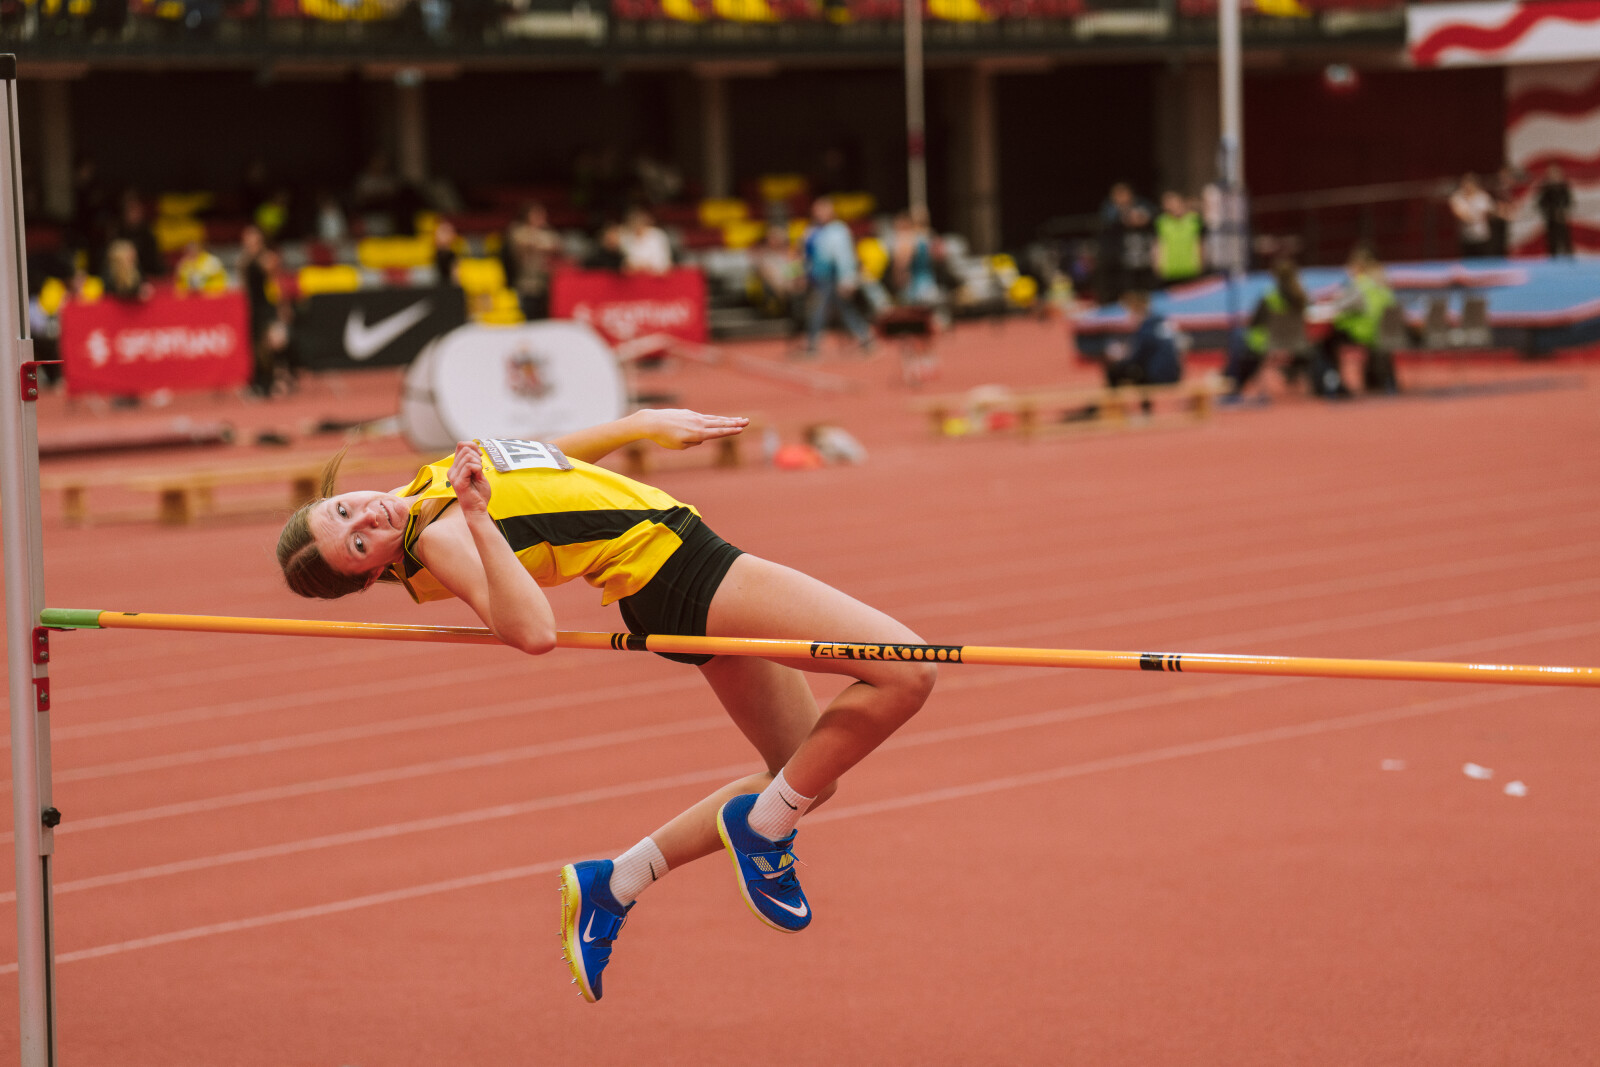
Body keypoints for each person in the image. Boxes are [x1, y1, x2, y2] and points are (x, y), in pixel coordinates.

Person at [273, 412, 937, 1003]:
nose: (365, 519)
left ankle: (613, 885)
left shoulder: (420, 493)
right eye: (356, 543)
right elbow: (534, 632)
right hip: (675, 566)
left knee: (805, 771)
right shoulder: (440, 535)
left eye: (343, 510)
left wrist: (639, 424)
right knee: (907, 671)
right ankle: (762, 830)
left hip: (666, 574)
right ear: (371, 574)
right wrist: (475, 516)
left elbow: (540, 463)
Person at [1315, 245, 1396, 397]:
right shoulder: (1383, 284)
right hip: (1381, 333)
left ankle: (1332, 384)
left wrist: (1339, 295)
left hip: (1363, 333)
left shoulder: (1361, 284)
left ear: (1358, 266)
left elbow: (1340, 306)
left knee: (1324, 344)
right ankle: (1383, 381)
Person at [801, 196, 874, 356]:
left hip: (834, 277)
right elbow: (807, 257)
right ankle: (865, 337)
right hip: (819, 278)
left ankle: (812, 344)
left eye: (822, 210)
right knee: (839, 309)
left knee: (824, 309)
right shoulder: (812, 231)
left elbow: (845, 257)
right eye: (816, 210)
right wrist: (803, 275)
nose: (818, 213)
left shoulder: (838, 230)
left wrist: (847, 279)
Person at [1227, 257, 1307, 398]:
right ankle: (1292, 373)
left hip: (1271, 344)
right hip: (1298, 344)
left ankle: (1233, 381)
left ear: (1275, 277)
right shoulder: (1302, 297)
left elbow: (1255, 323)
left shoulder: (1269, 298)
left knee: (1240, 339)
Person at [505, 202, 563, 320]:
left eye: (542, 214)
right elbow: (527, 242)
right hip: (525, 285)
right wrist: (541, 239)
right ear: (527, 216)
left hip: (544, 284)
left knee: (544, 319)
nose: (540, 217)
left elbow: (557, 244)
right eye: (536, 214)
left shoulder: (547, 232)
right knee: (527, 319)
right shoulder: (518, 231)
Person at [1154, 191, 1204, 287]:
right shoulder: (1162, 222)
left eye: (1174, 202)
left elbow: (1199, 243)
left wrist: (1200, 263)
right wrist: (1158, 265)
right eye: (1168, 204)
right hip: (1169, 270)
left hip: (1190, 269)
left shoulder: (1194, 220)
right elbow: (1159, 245)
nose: (1172, 206)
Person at [1449, 174, 1494, 259]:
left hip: (1482, 236)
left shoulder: (1483, 196)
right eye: (1465, 184)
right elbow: (1460, 215)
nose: (1467, 187)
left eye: (1470, 184)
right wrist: (1476, 216)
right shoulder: (1457, 197)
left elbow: (1489, 213)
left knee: (1484, 261)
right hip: (1466, 236)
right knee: (1468, 261)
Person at [618, 207, 673, 275]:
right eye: (633, 222)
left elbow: (664, 260)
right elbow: (626, 262)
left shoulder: (658, 236)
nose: (637, 225)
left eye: (639, 222)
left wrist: (647, 265)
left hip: (655, 276)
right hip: (635, 276)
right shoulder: (627, 238)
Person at [1537, 164, 1575, 258]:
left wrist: (1563, 211)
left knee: (1566, 242)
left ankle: (1569, 260)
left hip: (1562, 220)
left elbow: (1568, 202)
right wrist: (1552, 212)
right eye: (1552, 173)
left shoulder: (1564, 188)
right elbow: (1541, 204)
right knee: (1552, 243)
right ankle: (1553, 261)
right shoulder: (1546, 189)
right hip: (1551, 220)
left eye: (1557, 173)